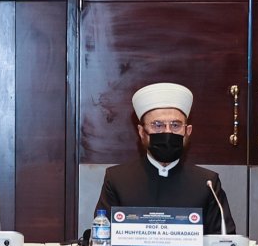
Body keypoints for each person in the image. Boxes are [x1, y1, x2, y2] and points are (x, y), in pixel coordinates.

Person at [94, 82, 233, 235]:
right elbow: (102, 238)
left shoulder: (207, 183)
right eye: (157, 125)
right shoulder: (117, 180)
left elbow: (224, 243)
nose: (167, 133)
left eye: (175, 125)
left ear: (188, 131)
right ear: (141, 131)